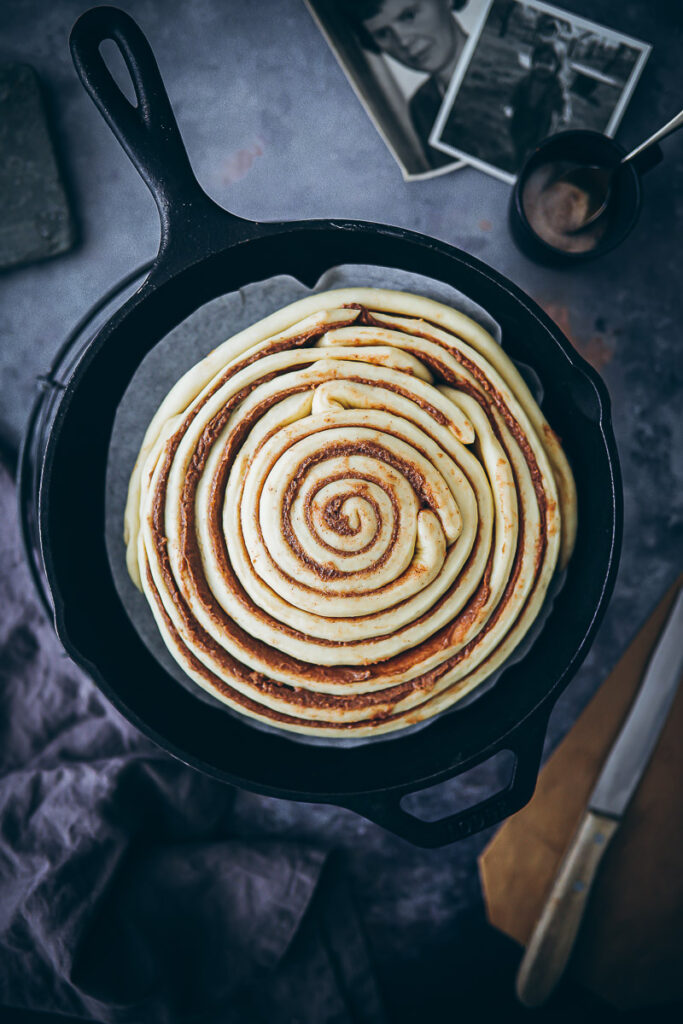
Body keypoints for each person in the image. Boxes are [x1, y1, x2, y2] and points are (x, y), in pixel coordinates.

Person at [347, 0, 470, 169]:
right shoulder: (422, 107)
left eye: (408, 16)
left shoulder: (515, 61)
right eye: (382, 33)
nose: (403, 41)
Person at [508, 41, 564, 170]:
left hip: (542, 120)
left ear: (557, 66)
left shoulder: (557, 85)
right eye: (540, 61)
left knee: (537, 144)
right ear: (533, 62)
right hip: (523, 115)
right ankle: (518, 160)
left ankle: (531, 163)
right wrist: (511, 105)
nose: (543, 66)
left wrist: (563, 113)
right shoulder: (528, 80)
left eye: (548, 62)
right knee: (519, 140)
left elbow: (563, 101)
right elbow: (517, 93)